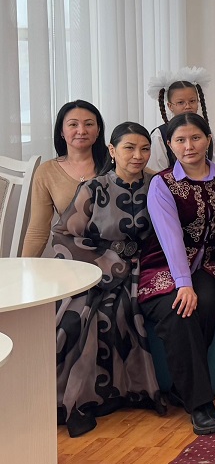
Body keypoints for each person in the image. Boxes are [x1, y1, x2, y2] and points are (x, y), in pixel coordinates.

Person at [50, 122, 164, 437]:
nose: (138, 155)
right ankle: (71, 399)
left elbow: (168, 233)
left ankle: (123, 393)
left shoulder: (157, 186)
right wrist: (107, 263)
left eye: (145, 148)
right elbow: (64, 235)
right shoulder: (94, 188)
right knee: (76, 319)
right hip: (92, 268)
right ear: (112, 150)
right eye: (129, 147)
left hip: (142, 269)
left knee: (116, 312)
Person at [137, 113, 215, 435]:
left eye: (195, 138)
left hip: (207, 265)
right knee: (181, 311)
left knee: (209, 304)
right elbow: (171, 237)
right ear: (170, 144)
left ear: (208, 140)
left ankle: (180, 388)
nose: (189, 146)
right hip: (162, 266)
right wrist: (183, 284)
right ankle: (201, 404)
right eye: (180, 140)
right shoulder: (162, 184)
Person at [22, 100, 108, 257]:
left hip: (119, 258)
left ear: (98, 130)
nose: (81, 131)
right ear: (61, 131)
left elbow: (154, 181)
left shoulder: (117, 163)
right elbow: (38, 231)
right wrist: (23, 267)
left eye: (89, 124)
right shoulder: (47, 172)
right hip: (72, 258)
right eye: (73, 124)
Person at [146, 67, 215, 172]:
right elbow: (156, 171)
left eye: (192, 101)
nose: (188, 106)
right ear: (170, 106)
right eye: (180, 102)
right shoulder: (160, 134)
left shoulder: (204, 129)